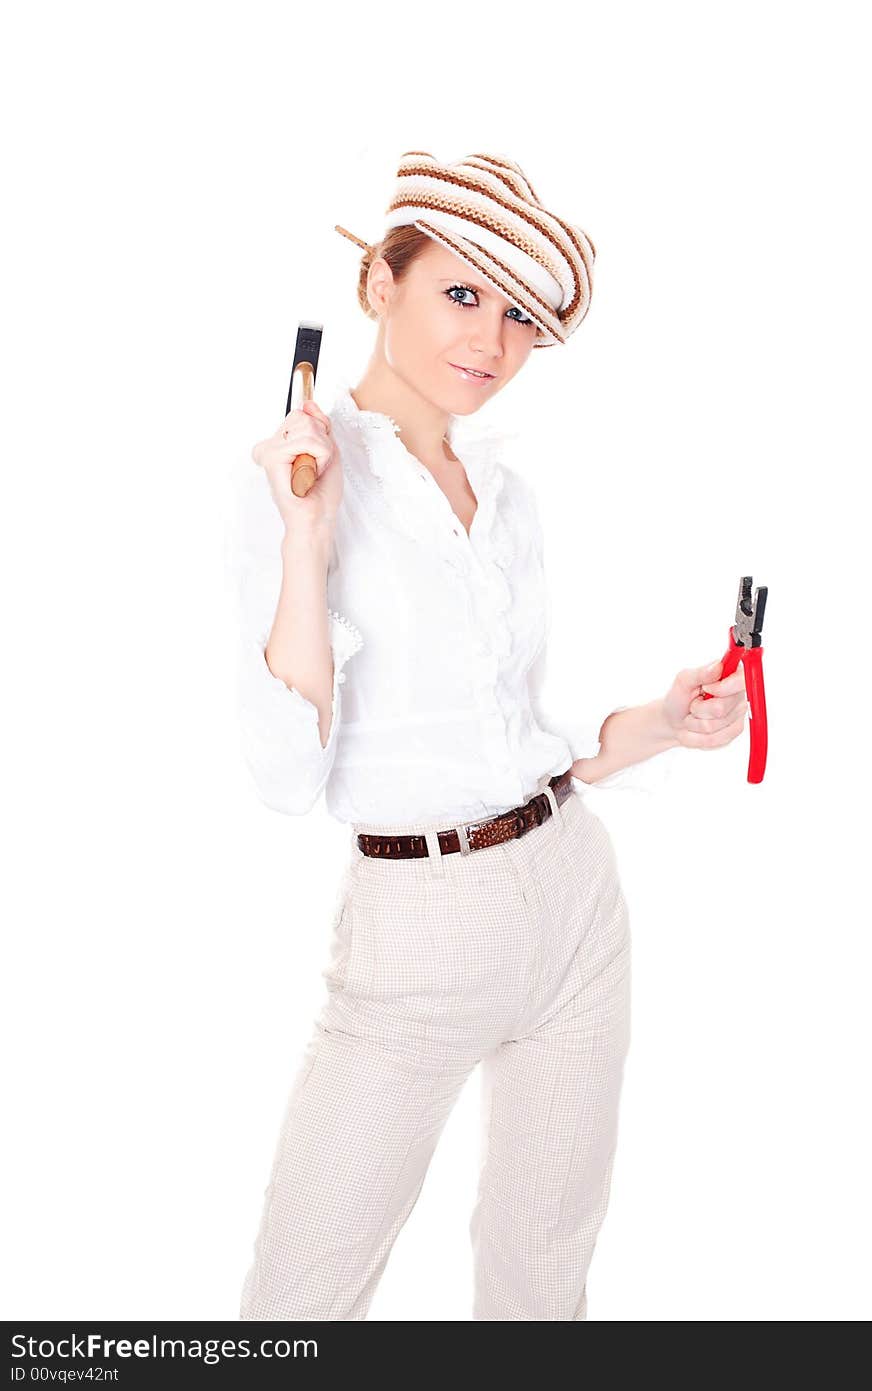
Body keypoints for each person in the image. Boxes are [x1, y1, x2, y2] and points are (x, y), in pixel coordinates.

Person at [232, 151, 747, 1321]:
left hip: (572, 898)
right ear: (379, 284)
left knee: (542, 1269)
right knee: (296, 1300)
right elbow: (282, 771)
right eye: (462, 294)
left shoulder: (503, 491)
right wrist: (305, 541)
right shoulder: (287, 484)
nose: (492, 342)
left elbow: (524, 733)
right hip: (417, 926)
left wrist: (665, 722)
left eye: (519, 317)